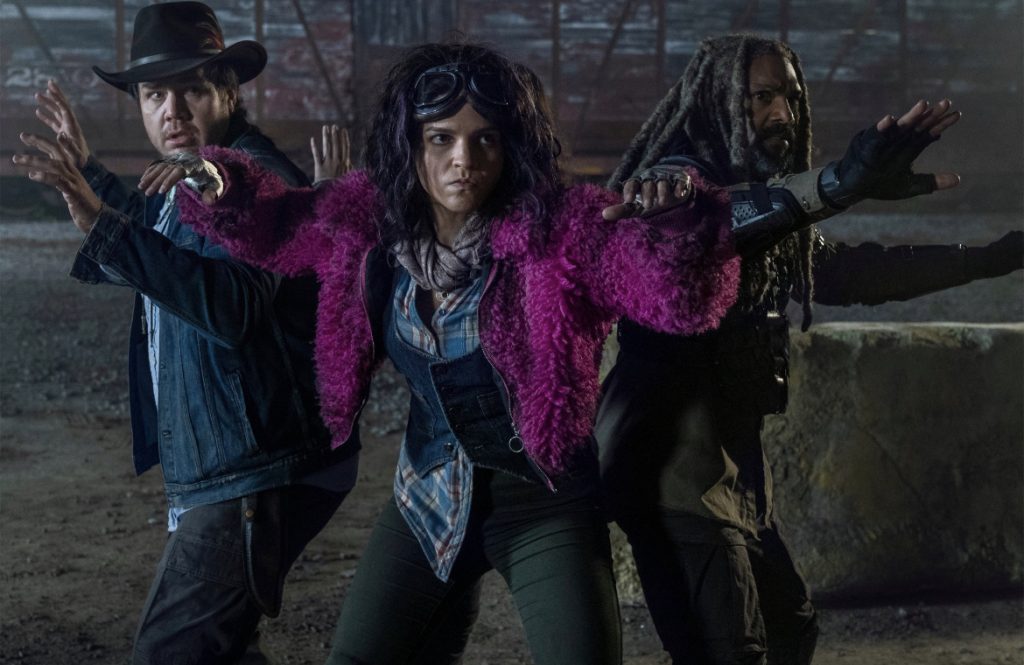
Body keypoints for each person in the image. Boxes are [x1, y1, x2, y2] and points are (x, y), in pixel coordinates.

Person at [153, 41, 741, 664]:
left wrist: (677, 224)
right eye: (441, 139)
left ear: (511, 148)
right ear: (409, 145)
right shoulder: (369, 223)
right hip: (426, 495)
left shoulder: (564, 231)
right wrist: (222, 186)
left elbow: (677, 298)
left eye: (485, 140)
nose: (464, 160)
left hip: (543, 502)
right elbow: (280, 224)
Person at [595, 33, 1024, 665]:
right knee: (730, 650)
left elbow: (851, 273)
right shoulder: (674, 188)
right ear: (716, 101)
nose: (782, 114)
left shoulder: (771, 207)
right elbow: (716, 220)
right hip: (674, 475)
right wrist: (842, 182)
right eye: (762, 97)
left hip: (737, 471)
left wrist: (993, 258)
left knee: (790, 629)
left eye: (791, 98)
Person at [12, 3, 360, 661]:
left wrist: (101, 226)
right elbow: (165, 239)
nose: (171, 110)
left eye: (190, 90)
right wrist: (92, 178)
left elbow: (231, 306)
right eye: (154, 95)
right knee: (219, 649)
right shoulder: (193, 174)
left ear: (228, 91)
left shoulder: (252, 179)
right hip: (238, 460)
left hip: (254, 470)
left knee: (168, 652)